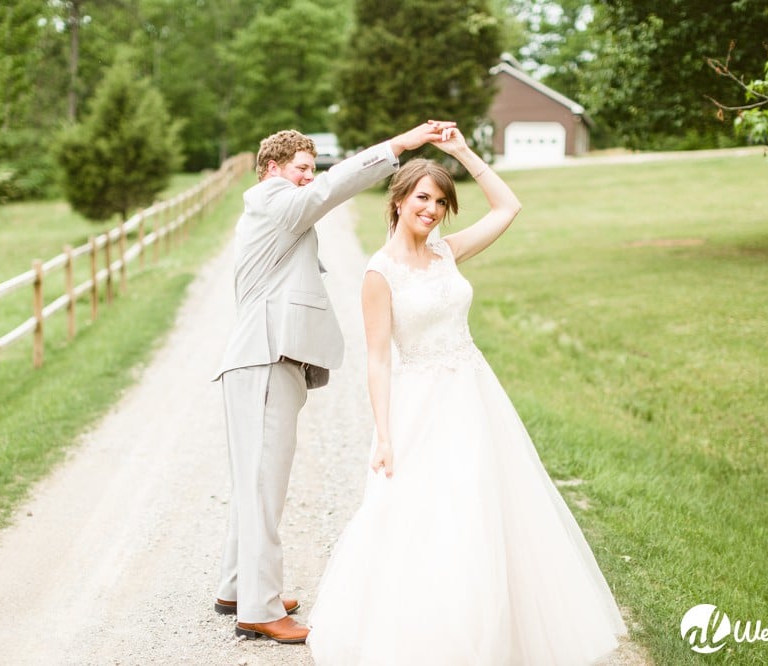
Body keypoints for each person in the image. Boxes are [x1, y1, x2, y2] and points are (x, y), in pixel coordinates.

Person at [306, 128, 628, 664]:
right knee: (427, 519)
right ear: (399, 200)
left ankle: (496, 637)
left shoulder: (447, 254)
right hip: (420, 406)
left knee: (484, 509)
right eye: (422, 198)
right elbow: (380, 360)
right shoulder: (378, 274)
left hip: (474, 397)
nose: (432, 209)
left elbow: (508, 206)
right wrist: (384, 435)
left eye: (440, 201)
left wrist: (460, 153)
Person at [212, 121, 457, 645]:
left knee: (252, 483)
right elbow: (328, 190)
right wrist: (398, 146)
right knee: (262, 485)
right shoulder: (272, 200)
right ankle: (259, 608)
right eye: (300, 167)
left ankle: (237, 586)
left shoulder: (276, 210)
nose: (309, 177)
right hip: (263, 359)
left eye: (311, 167)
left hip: (264, 362)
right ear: (271, 170)